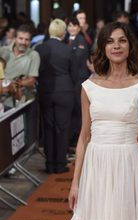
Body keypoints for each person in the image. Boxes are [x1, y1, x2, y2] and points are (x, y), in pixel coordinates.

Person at [60, 21, 138, 220]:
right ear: (103, 47)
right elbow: (84, 138)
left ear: (130, 46)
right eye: (110, 41)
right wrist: (75, 183)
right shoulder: (89, 86)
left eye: (122, 40)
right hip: (96, 166)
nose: (116, 46)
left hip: (128, 166)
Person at [35, 19, 77, 174]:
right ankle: (59, 164)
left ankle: (50, 164)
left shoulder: (39, 49)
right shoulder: (68, 49)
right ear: (63, 32)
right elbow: (74, 74)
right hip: (64, 92)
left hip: (46, 92)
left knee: (48, 128)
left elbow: (36, 72)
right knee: (62, 128)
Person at [66, 17, 91, 149]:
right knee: (73, 108)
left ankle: (77, 136)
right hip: (70, 79)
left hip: (80, 79)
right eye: (69, 26)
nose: (72, 28)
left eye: (74, 26)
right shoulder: (66, 40)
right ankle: (73, 135)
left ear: (78, 27)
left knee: (78, 108)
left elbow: (78, 59)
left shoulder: (81, 41)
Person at [0, 24, 40, 102]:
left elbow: (32, 80)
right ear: (15, 39)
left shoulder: (34, 55)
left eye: (26, 39)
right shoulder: (2, 51)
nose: (23, 42)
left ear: (30, 41)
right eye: (20, 38)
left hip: (23, 99)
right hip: (2, 98)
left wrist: (15, 84)